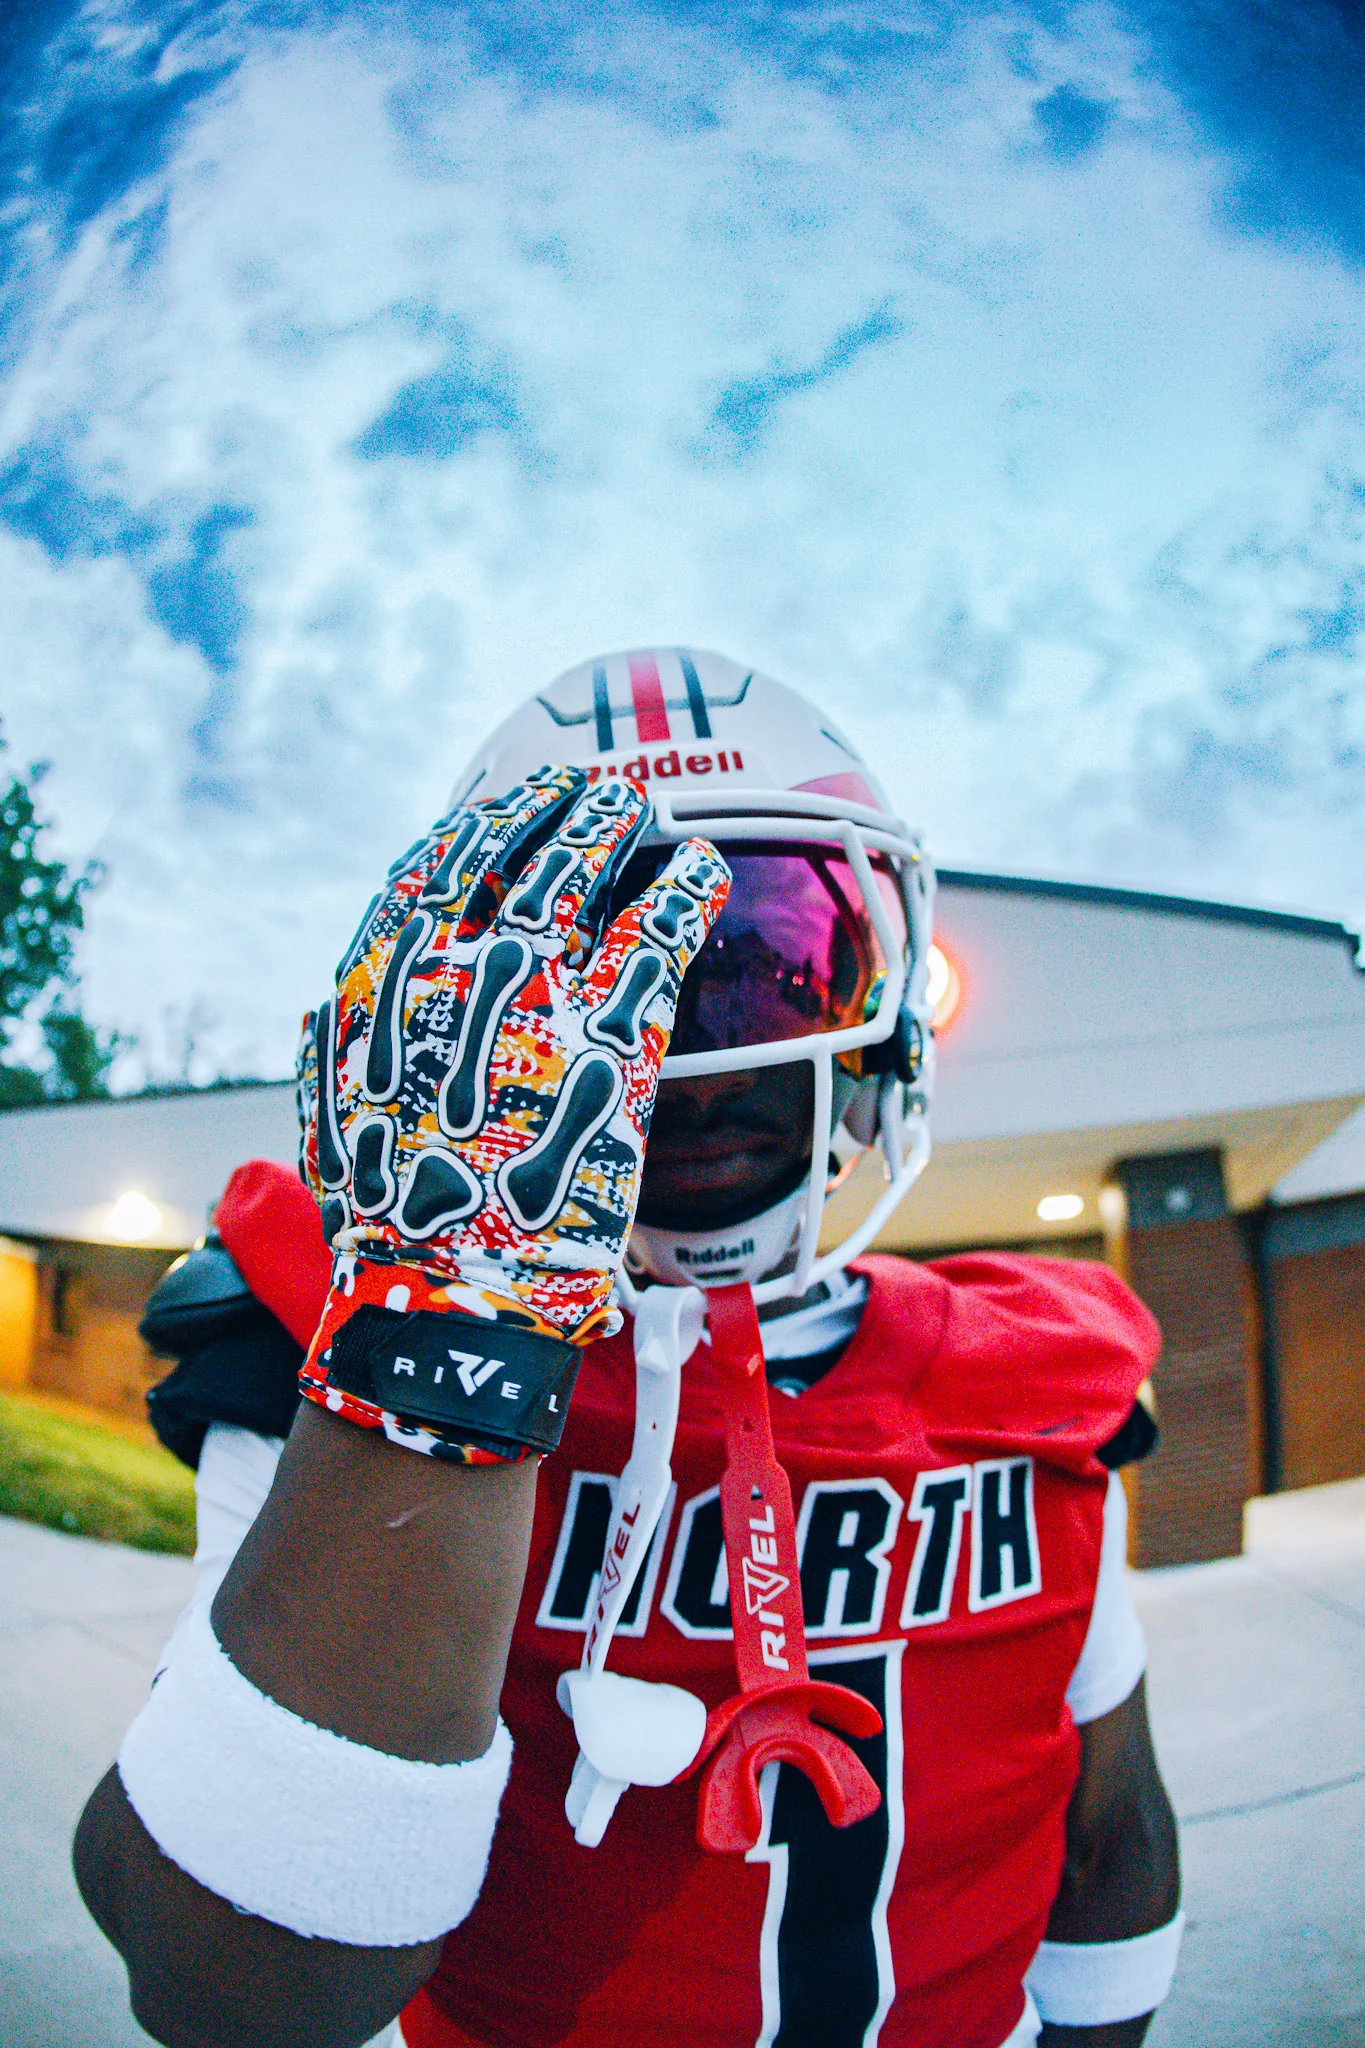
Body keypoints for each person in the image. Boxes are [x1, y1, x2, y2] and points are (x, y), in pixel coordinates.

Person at [75, 647, 1182, 2048]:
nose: (693, 1039)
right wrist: (450, 1322)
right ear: (468, 1015)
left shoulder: (1033, 1378)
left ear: (886, 987)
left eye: (773, 958)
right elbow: (235, 1990)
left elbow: (1113, 1837)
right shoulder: (334, 1341)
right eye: (609, 981)